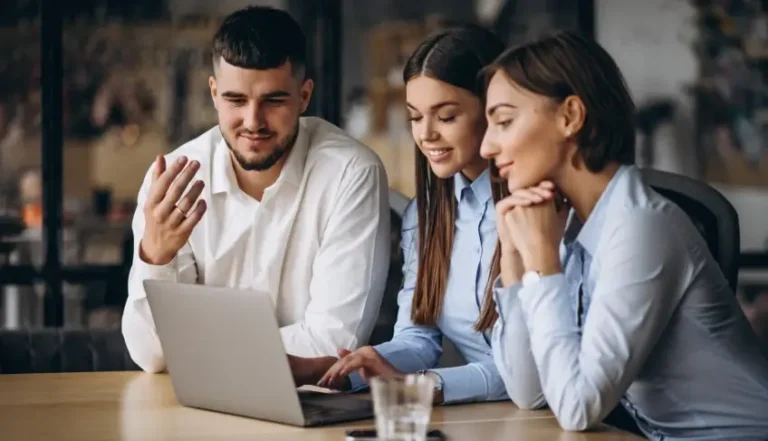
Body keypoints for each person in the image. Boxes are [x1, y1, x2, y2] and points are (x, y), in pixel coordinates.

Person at [481, 31, 768, 440]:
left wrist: (544, 264)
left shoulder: (641, 226)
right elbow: (530, 393)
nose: (487, 146)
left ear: (570, 117)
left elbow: (578, 407)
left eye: (504, 121)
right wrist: (515, 262)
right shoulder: (575, 226)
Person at [122, 6, 390, 385]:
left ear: (304, 95)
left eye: (274, 101)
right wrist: (156, 256)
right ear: (214, 94)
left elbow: (332, 345)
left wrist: (193, 350)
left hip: (311, 413)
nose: (253, 122)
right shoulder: (171, 181)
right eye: (235, 100)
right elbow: (151, 355)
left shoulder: (351, 173)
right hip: (194, 411)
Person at [316, 25, 538, 406]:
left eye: (446, 116)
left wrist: (424, 385)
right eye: (415, 118)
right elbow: (418, 337)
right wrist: (365, 367)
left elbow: (533, 374)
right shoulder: (427, 214)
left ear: (494, 112)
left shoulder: (538, 208)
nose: (426, 135)